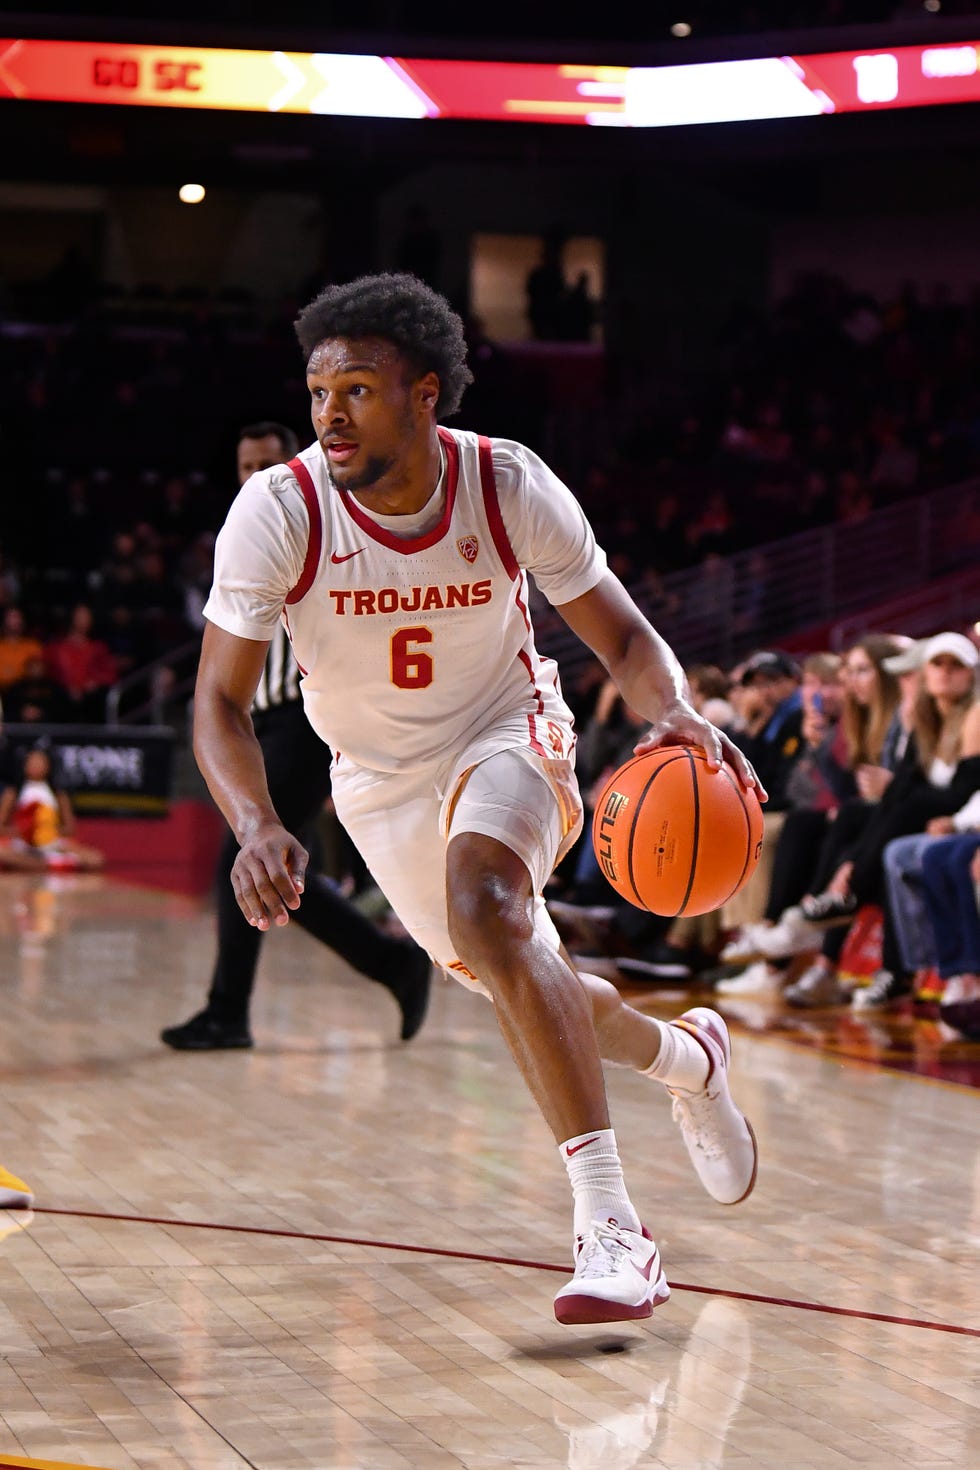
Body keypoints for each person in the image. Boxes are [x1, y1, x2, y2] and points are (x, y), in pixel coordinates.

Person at [193, 272, 765, 1326]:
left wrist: (672, 708)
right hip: (375, 782)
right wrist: (257, 822)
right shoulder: (278, 511)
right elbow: (218, 705)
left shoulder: (504, 484)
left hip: (508, 726)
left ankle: (612, 1229)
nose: (328, 414)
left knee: (489, 907)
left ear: (423, 394)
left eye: (356, 390)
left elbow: (624, 636)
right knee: (520, 975)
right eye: (318, 391)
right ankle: (688, 1058)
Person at [161, 420, 432, 1052]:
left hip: (307, 719)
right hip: (264, 721)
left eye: (265, 464)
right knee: (281, 870)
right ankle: (392, 963)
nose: (253, 476)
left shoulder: (312, 523)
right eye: (244, 465)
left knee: (245, 857)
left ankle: (228, 1013)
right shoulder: (245, 535)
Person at [0, 746, 104, 872]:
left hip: (52, 843)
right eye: (32, 761)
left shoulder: (58, 794)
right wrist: (26, 831)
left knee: (95, 859)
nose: (36, 765)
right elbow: (2, 826)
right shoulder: (14, 793)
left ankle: (42, 864)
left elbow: (70, 828)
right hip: (22, 845)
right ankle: (53, 864)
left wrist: (47, 832)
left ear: (48, 765)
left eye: (40, 762)